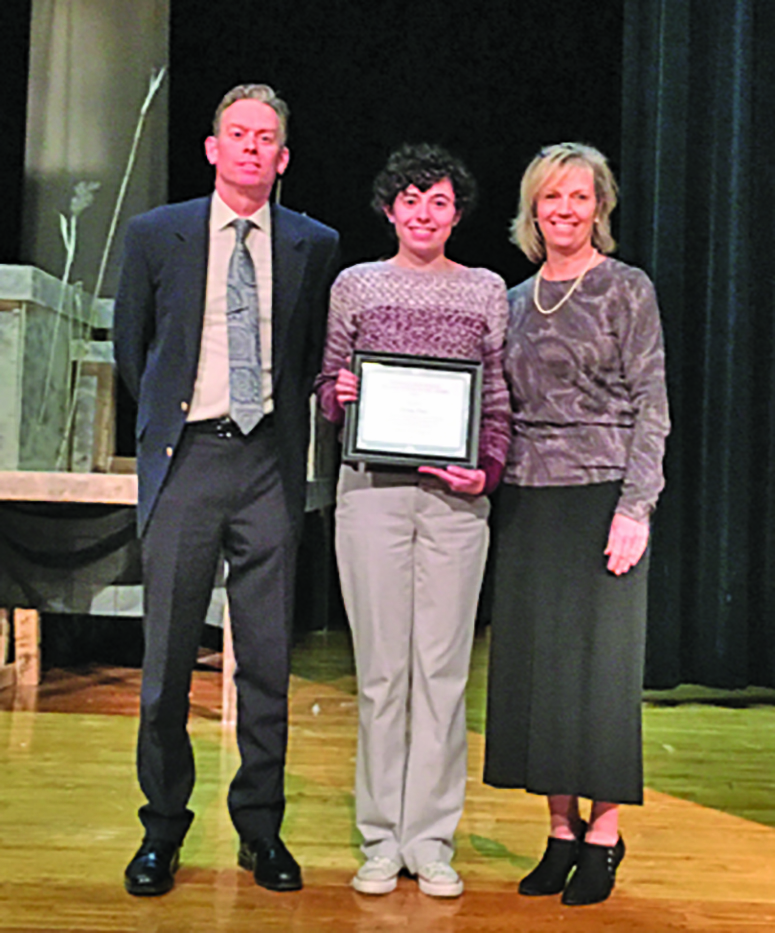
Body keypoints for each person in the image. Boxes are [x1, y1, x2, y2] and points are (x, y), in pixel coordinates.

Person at [114, 83, 339, 896]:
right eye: (236, 134)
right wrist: (179, 427)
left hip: (267, 466)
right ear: (212, 147)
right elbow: (132, 352)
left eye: (265, 137)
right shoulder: (155, 234)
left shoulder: (315, 243)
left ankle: (260, 829)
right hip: (187, 461)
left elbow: (311, 354)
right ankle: (162, 830)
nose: (250, 147)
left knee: (268, 662)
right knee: (167, 662)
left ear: (282, 157)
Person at [316, 143, 510, 898]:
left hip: (456, 504)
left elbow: (495, 399)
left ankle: (429, 840)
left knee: (442, 674)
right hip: (370, 494)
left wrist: (484, 469)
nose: (423, 214)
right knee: (381, 675)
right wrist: (341, 395)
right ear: (389, 208)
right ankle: (377, 840)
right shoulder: (354, 284)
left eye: (438, 202)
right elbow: (326, 386)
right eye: (410, 200)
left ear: (455, 214)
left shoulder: (487, 290)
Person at [484, 142, 670, 906]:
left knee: (598, 673)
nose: (564, 209)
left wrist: (635, 507)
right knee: (539, 673)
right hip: (528, 500)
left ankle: (604, 832)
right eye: (550, 198)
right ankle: (559, 830)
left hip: (601, 498)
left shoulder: (626, 289)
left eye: (579, 197)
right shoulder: (513, 298)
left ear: (600, 208)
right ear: (533, 208)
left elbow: (651, 406)